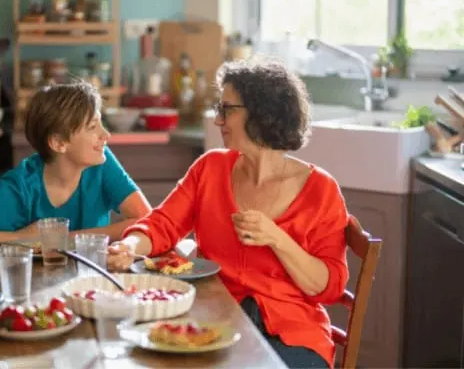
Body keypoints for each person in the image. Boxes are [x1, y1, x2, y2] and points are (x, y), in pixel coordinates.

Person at [107, 58, 349, 369]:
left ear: (261, 114)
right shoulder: (211, 168)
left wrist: (277, 238)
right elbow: (163, 223)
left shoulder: (321, 190)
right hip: (214, 321)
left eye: (226, 109)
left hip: (292, 336)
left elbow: (328, 287)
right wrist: (130, 246)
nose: (218, 120)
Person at [0, 82, 151, 249]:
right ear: (59, 143)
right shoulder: (22, 188)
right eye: (93, 127)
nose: (106, 134)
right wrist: (20, 238)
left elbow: (146, 221)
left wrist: (62, 239)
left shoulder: (101, 162)